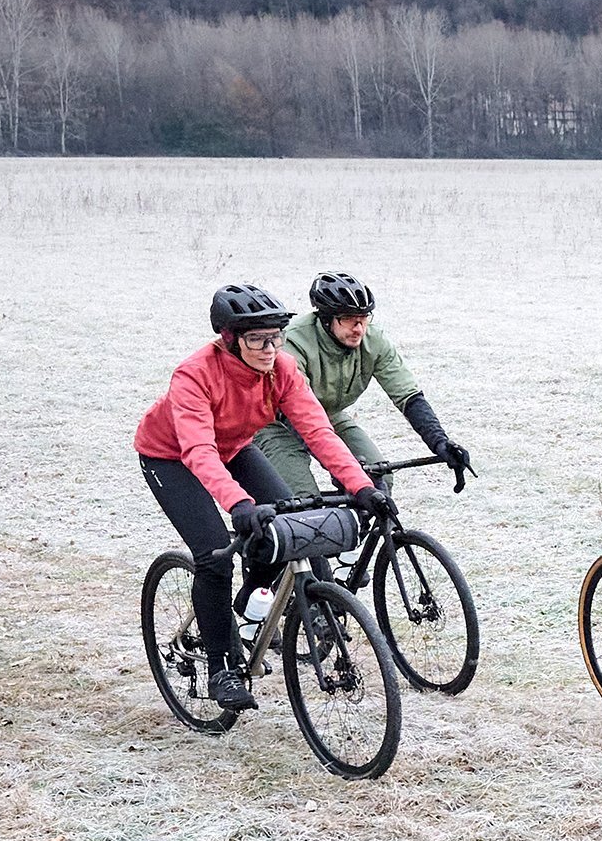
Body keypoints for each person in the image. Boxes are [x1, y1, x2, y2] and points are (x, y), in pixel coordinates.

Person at [135, 283, 397, 711]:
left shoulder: (284, 369)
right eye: (257, 340)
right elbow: (197, 450)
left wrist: (360, 487)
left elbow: (317, 432)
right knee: (215, 555)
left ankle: (247, 608)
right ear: (230, 340)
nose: (269, 348)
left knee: (287, 528)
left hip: (235, 447)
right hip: (171, 457)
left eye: (276, 337)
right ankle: (221, 667)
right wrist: (239, 504)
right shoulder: (195, 374)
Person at [254, 271, 471, 495]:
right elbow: (299, 412)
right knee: (302, 497)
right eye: (348, 319)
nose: (358, 328)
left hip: (328, 414)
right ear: (326, 319)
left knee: (379, 476)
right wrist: (343, 464)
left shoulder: (373, 340)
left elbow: (408, 397)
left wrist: (440, 442)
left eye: (364, 317)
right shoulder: (293, 341)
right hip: (274, 420)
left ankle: (356, 525)